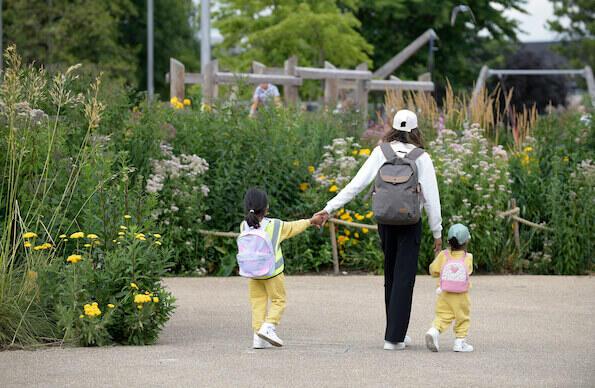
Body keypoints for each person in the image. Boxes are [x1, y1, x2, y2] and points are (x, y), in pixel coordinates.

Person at [314, 109, 443, 350]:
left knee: (391, 275)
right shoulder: (421, 157)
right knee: (404, 279)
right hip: (410, 222)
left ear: (392, 127)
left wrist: (328, 209)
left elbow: (356, 185)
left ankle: (394, 333)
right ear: (415, 130)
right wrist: (437, 233)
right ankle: (394, 337)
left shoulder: (380, 152)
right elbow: (432, 200)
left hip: (385, 220)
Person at [241, 188, 324, 349]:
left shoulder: (244, 226)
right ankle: (269, 326)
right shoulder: (276, 225)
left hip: (253, 273)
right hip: (273, 272)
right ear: (267, 208)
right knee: (278, 300)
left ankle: (258, 336)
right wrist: (311, 221)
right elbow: (294, 227)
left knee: (258, 302)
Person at [425, 223, 474, 353]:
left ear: (449, 241)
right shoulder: (468, 257)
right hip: (461, 295)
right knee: (462, 317)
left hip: (444, 293)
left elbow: (433, 271)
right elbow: (468, 272)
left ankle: (434, 331)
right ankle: (460, 342)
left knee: (442, 315)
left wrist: (437, 257)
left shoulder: (443, 255)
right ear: (466, 241)